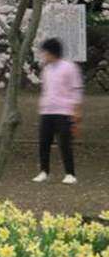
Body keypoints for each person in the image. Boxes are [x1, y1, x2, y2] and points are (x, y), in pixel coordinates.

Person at [34, 37, 83, 185]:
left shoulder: (70, 67)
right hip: (47, 109)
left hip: (64, 110)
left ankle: (70, 173)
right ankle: (44, 171)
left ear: (53, 53)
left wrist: (76, 111)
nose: (44, 56)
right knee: (44, 142)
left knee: (64, 143)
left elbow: (76, 90)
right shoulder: (47, 69)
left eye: (46, 53)